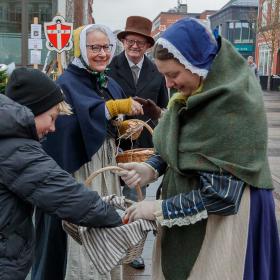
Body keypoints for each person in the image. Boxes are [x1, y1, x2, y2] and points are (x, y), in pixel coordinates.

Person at [117, 18, 280, 280]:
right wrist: (151, 167)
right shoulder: (194, 91)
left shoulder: (233, 106)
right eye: (164, 76)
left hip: (226, 222)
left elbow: (222, 197)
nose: (168, 84)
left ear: (197, 64)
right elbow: (179, 142)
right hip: (190, 210)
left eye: (173, 74)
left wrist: (158, 209)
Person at [32, 24, 143, 280]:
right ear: (82, 49)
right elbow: (65, 125)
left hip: (105, 166)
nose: (102, 53)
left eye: (106, 47)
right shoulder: (65, 83)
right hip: (80, 168)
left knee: (106, 221)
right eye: (94, 47)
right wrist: (109, 109)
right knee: (84, 224)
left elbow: (108, 120)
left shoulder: (110, 82)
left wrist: (121, 126)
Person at [0, 67, 122, 280]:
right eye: (52, 117)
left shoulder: (9, 135)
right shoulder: (17, 147)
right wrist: (119, 218)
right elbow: (64, 194)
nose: (53, 128)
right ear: (33, 111)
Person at [108, 16, 168, 269]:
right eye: (131, 41)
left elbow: (164, 106)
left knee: (135, 197)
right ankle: (110, 245)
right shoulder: (109, 67)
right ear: (123, 42)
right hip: (114, 142)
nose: (135, 46)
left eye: (140, 43)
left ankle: (132, 250)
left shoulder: (157, 71)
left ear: (147, 46)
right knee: (111, 195)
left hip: (144, 146)